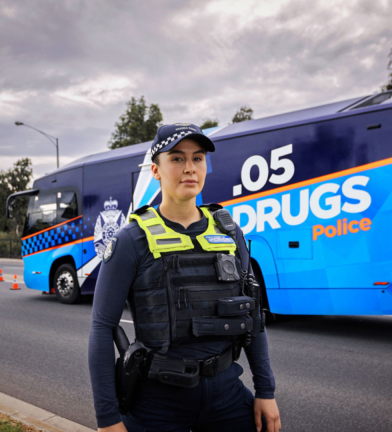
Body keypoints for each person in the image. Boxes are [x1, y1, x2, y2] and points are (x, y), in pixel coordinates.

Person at [88, 123, 281, 432]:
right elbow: (101, 327)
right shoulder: (131, 240)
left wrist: (265, 391)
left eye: (198, 158)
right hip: (157, 403)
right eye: (177, 159)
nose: (189, 168)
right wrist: (108, 419)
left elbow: (252, 317)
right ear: (156, 170)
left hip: (226, 395)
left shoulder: (230, 233)